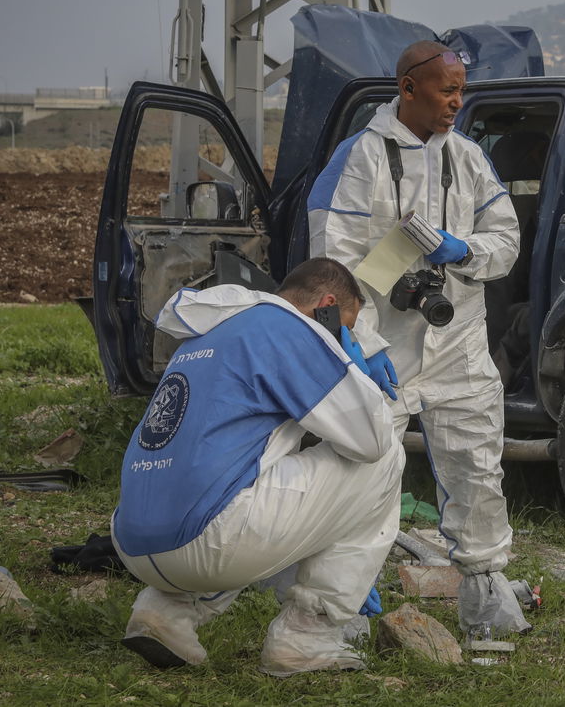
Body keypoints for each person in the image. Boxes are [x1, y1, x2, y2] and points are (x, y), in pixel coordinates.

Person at [306, 40, 529, 636]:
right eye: (446, 89)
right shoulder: (362, 159)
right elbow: (332, 267)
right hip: (381, 348)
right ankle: (338, 599)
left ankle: (484, 589)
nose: (457, 101)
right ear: (407, 88)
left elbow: (505, 241)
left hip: (457, 344)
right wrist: (367, 348)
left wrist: (467, 251)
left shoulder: (469, 158)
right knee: (362, 472)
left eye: (462, 90)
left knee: (477, 465)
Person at [112, 257, 403, 677]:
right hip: (205, 541)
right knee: (388, 453)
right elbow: (371, 440)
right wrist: (352, 370)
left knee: (246, 475)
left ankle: (165, 611)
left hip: (133, 541)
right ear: (325, 304)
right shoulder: (293, 331)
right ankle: (306, 637)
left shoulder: (215, 328)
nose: (345, 337)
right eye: (347, 325)